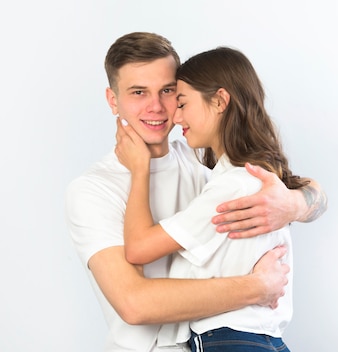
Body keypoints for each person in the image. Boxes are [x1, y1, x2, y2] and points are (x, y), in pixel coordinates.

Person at [65, 32, 327, 352]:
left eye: (168, 91)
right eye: (138, 92)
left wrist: (294, 204)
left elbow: (306, 188)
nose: (158, 107)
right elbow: (135, 304)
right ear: (112, 100)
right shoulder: (93, 190)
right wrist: (257, 287)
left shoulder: (201, 154)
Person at [114, 46, 305, 351]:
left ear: (219, 101)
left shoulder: (233, 186)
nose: (174, 117)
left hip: (230, 341)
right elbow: (308, 188)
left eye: (182, 103)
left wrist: (140, 170)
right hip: (262, 340)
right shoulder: (256, 176)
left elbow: (138, 248)